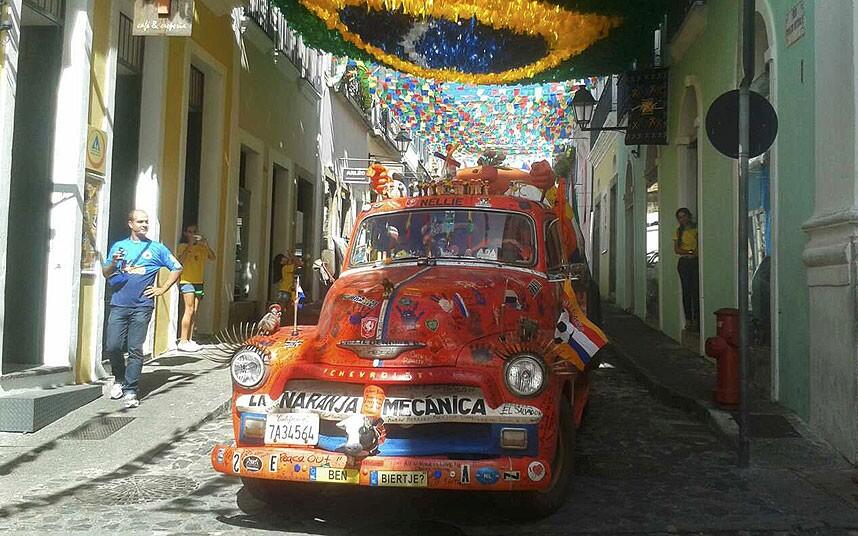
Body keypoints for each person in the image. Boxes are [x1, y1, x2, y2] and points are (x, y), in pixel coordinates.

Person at [102, 210, 183, 408]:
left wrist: (162, 289)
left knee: (135, 348)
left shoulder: (156, 249)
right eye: (140, 221)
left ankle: (131, 389)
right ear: (130, 224)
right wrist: (113, 262)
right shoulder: (120, 246)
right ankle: (119, 378)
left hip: (142, 306)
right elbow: (105, 273)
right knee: (113, 346)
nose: (144, 225)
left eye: (146, 222)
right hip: (119, 304)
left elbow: (177, 267)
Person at [176, 223, 216, 352]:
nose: (192, 234)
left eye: (195, 231)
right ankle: (182, 340)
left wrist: (206, 244)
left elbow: (212, 257)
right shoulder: (182, 246)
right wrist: (189, 245)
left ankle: (190, 339)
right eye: (190, 232)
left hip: (198, 281)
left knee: (194, 311)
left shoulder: (201, 248)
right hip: (187, 280)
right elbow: (180, 261)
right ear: (185, 234)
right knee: (189, 309)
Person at [674, 207, 699, 332]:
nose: (682, 219)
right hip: (684, 262)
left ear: (689, 216)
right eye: (680, 217)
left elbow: (699, 248)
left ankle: (697, 320)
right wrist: (690, 251)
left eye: (684, 216)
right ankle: (688, 320)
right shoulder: (679, 232)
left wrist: (695, 252)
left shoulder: (696, 229)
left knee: (696, 290)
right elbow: (677, 250)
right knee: (686, 291)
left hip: (695, 262)